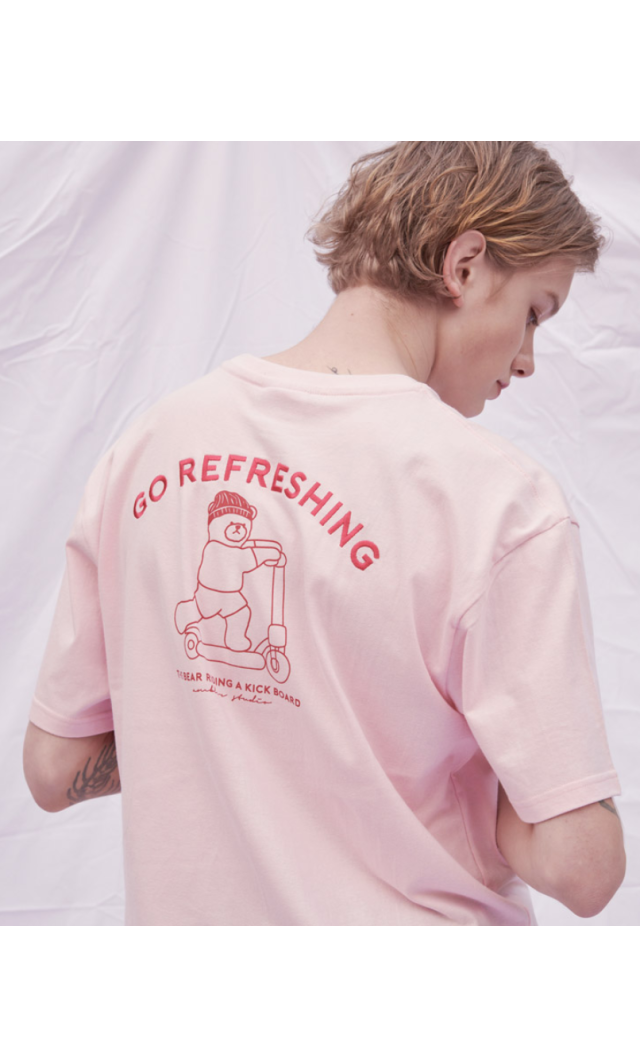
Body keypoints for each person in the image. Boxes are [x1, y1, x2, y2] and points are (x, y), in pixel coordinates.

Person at [23, 141, 626, 925]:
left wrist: (219, 732)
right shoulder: (499, 500)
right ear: (466, 265)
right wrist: (506, 799)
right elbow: (583, 866)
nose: (529, 359)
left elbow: (54, 766)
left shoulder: (146, 449)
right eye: (535, 313)